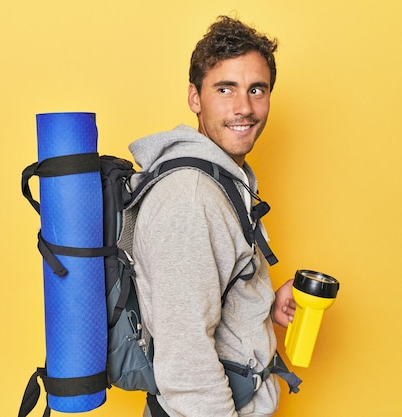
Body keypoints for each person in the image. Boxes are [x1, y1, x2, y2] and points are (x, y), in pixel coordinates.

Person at [128, 16, 296, 417]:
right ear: (195, 98)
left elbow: (201, 296)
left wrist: (259, 305)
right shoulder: (191, 197)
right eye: (226, 89)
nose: (244, 108)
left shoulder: (221, 177)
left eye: (257, 89)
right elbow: (186, 363)